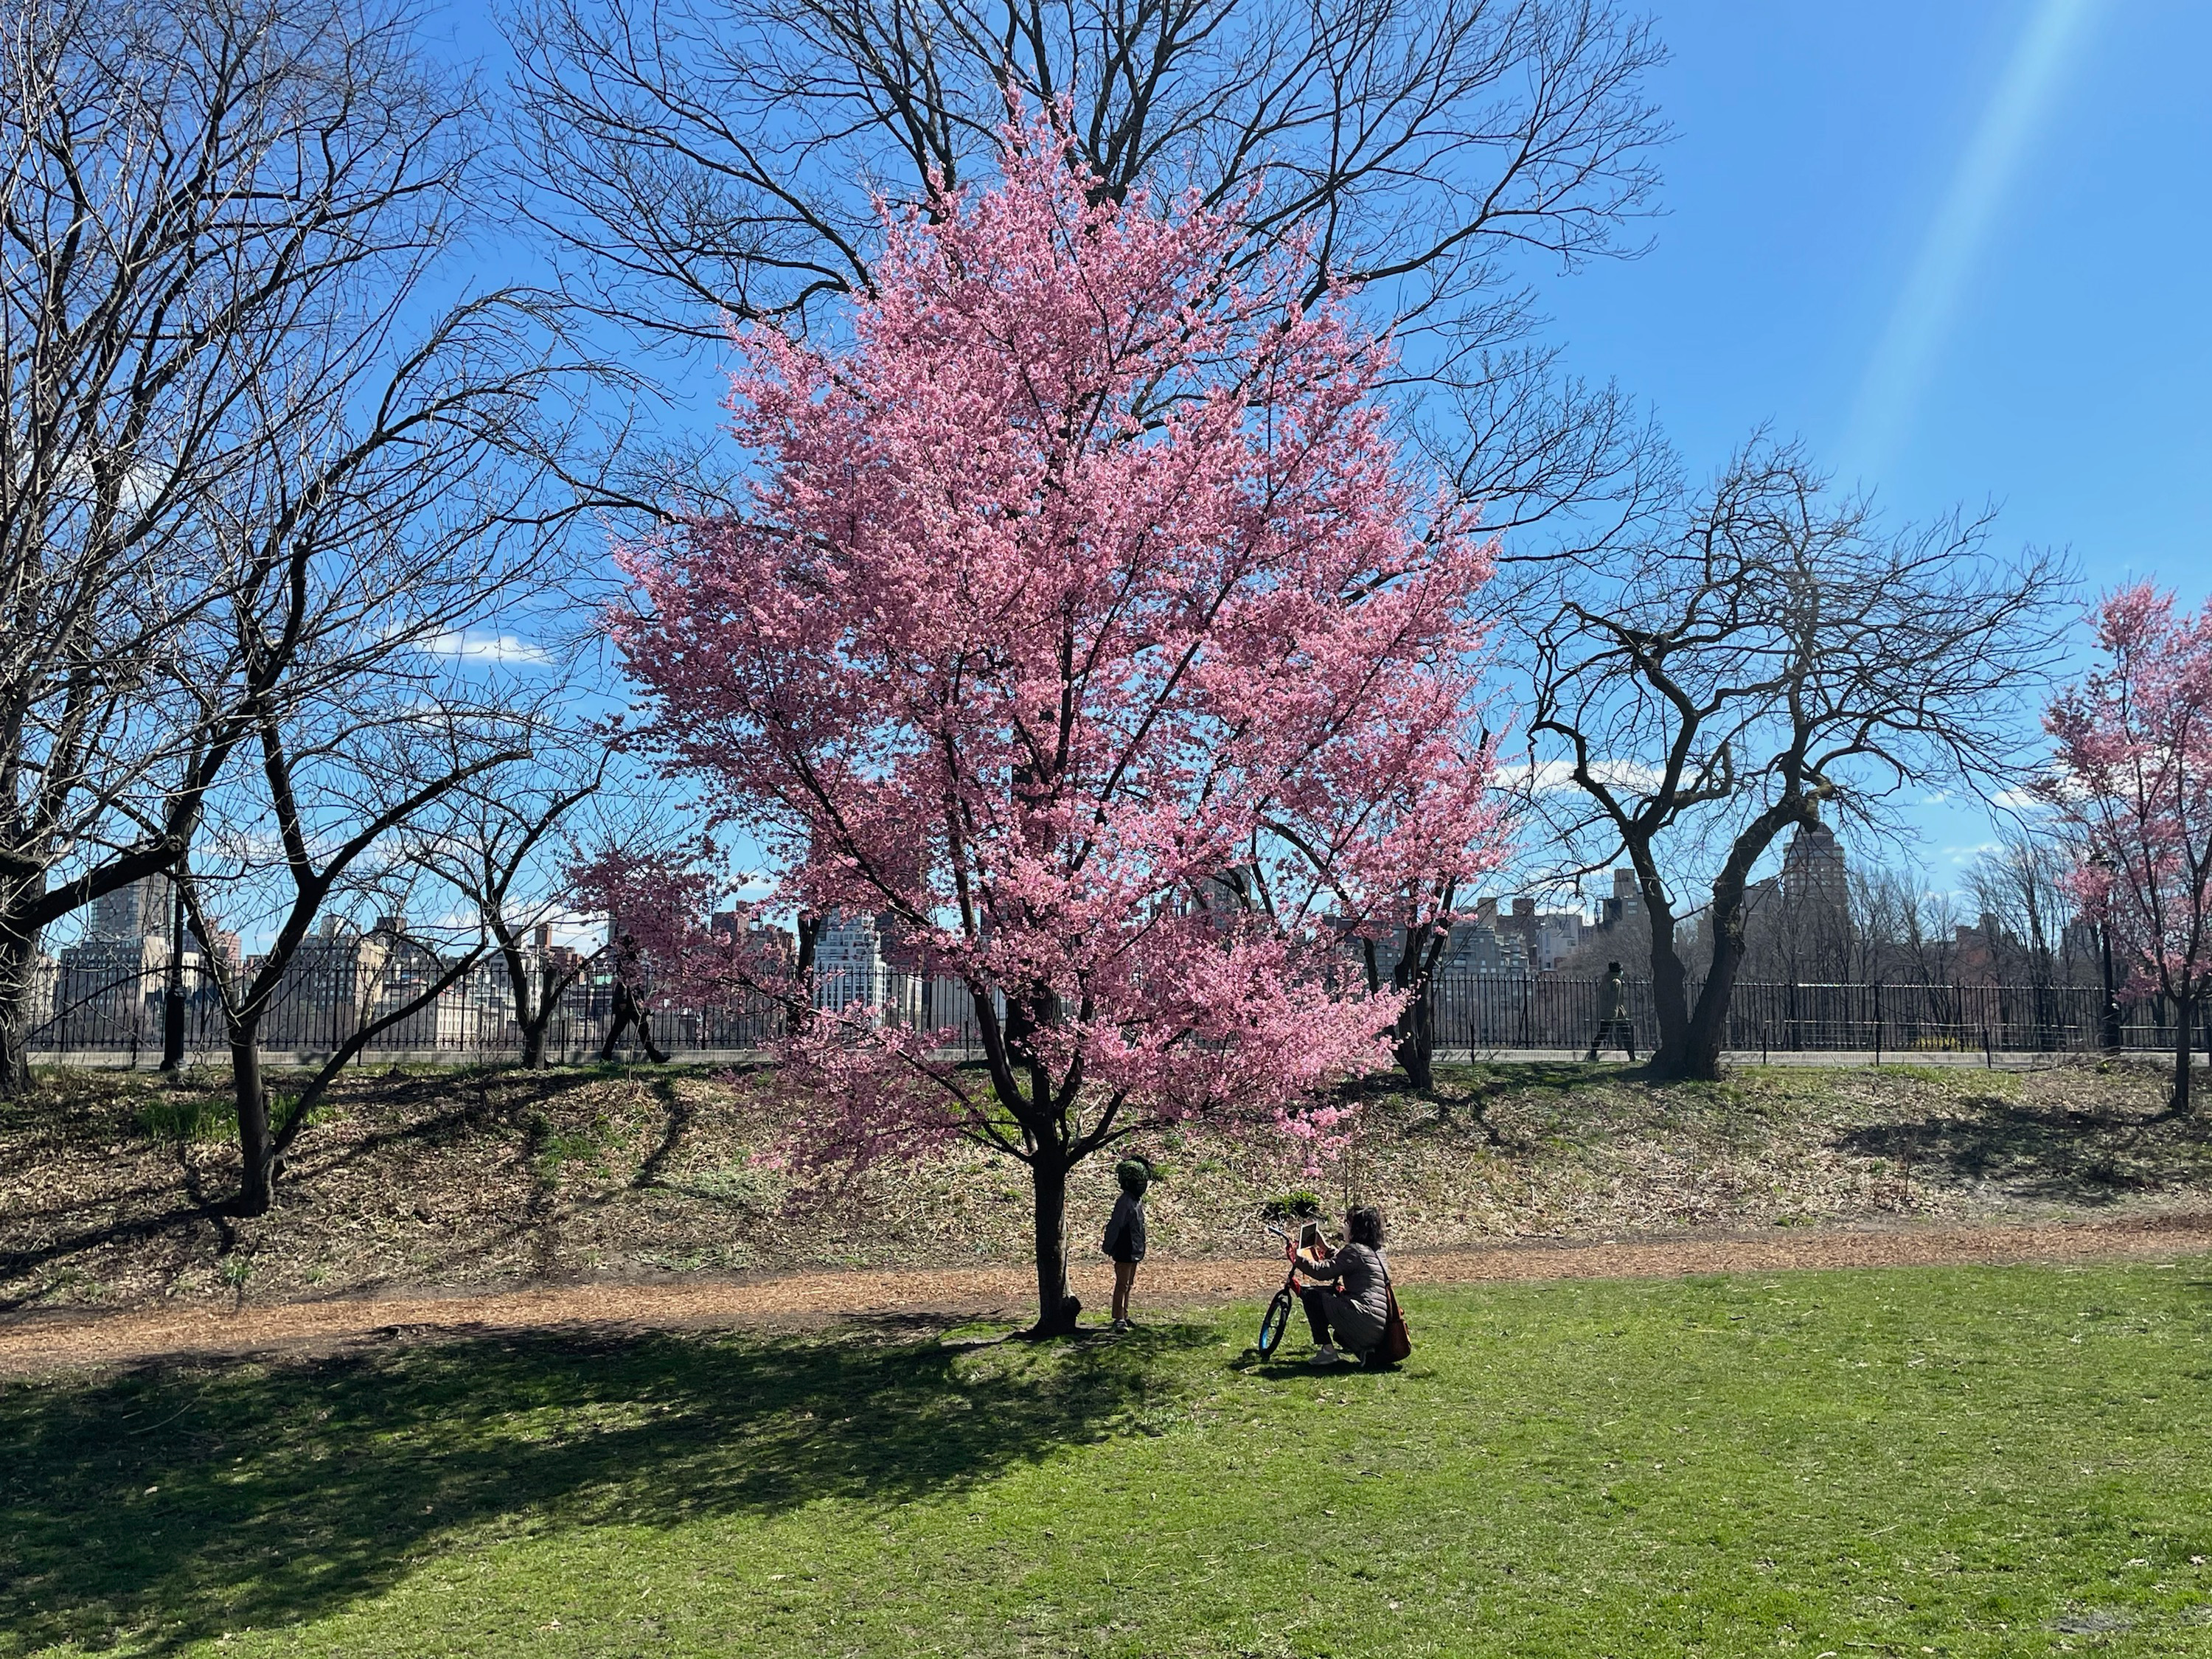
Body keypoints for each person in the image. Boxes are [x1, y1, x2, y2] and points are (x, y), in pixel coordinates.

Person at [1294, 1204, 1391, 1366]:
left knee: (1311, 1296)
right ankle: (1365, 1351)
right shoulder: (1376, 1251)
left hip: (1363, 1319)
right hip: (1378, 1326)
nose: (1344, 1227)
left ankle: (1327, 1352)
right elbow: (1344, 1262)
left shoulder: (1356, 1250)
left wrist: (1298, 1258)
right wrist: (1325, 1247)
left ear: (1356, 1228)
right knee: (1336, 1296)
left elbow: (1322, 1272)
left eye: (1347, 1223)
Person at [1102, 1157, 1152, 1331]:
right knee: (1122, 1284)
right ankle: (1118, 1317)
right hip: (1124, 1249)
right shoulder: (1124, 1203)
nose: (1142, 1185)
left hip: (1134, 1250)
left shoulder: (1136, 1201)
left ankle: (1125, 1314)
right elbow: (1115, 1226)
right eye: (1139, 1182)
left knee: (1129, 1284)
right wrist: (1109, 1245)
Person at [1585, 960, 1637, 1062]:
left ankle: (1593, 1053)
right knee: (1626, 1034)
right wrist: (1614, 1014)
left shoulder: (1605, 980)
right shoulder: (1616, 983)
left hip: (1606, 1011)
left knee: (1602, 1033)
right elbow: (1615, 1000)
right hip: (1616, 1012)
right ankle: (1631, 1055)